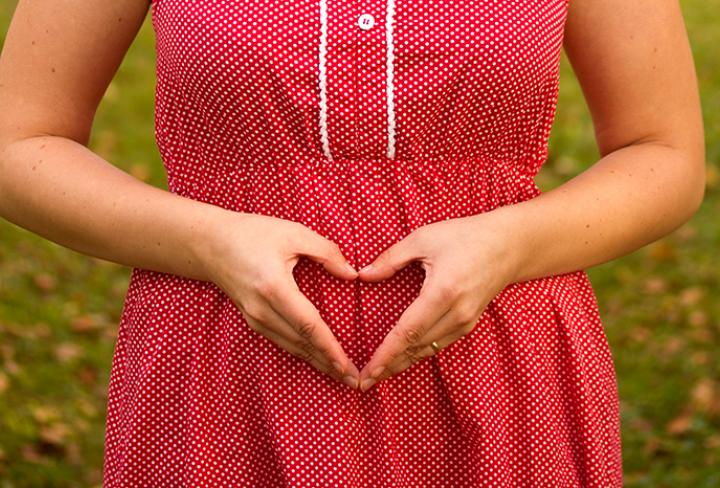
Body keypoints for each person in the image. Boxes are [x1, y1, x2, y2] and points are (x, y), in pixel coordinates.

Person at [0, 0, 705, 486]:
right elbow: (18, 141)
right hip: (223, 368)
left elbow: (664, 154)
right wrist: (209, 239)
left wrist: (509, 242)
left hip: (499, 365)